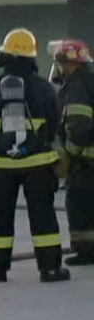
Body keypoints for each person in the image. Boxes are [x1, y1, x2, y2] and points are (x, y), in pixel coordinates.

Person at [0, 28, 69, 283]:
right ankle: (50, 270)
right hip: (38, 165)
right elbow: (54, 124)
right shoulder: (44, 89)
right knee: (43, 216)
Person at [51, 38, 94, 266]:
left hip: (86, 160)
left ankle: (87, 252)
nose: (58, 68)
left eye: (60, 62)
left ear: (71, 64)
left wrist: (68, 155)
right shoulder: (89, 81)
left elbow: (79, 125)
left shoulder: (77, 87)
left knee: (80, 205)